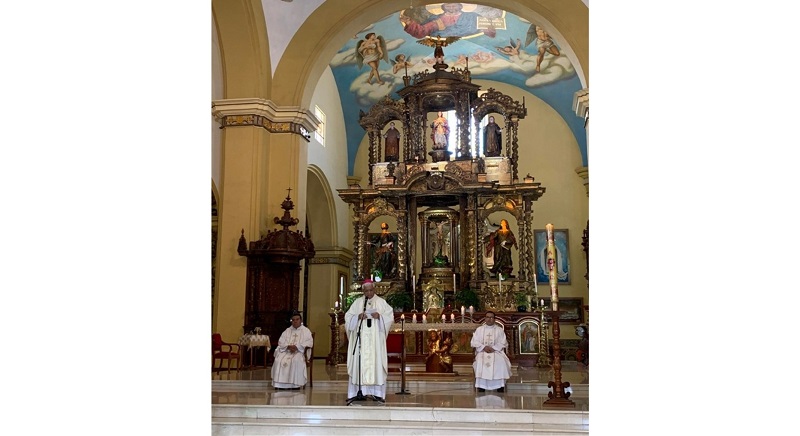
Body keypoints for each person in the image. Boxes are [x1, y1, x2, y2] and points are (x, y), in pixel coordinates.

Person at [345, 279, 394, 404]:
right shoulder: (357, 303)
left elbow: (390, 317)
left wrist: (380, 317)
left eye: (371, 290)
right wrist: (357, 317)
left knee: (376, 364)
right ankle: (358, 392)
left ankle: (377, 393)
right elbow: (348, 317)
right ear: (363, 291)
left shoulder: (381, 302)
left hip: (375, 342)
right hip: (361, 341)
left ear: (374, 289)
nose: (369, 293)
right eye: (366, 291)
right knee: (360, 364)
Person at [400, 3, 497, 39]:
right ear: (443, 7)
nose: (451, 8)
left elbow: (488, 30)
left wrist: (489, 29)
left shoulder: (472, 16)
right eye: (448, 6)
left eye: (454, 6)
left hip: (469, 47)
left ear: (460, 6)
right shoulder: (437, 19)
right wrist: (410, 23)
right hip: (442, 45)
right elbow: (422, 31)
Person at [271, 312, 314, 390]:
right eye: (293, 320)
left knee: (296, 360)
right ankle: (280, 384)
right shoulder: (287, 330)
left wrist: (297, 347)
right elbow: (281, 342)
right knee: (278, 360)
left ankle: (295, 385)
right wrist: (288, 346)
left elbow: (309, 342)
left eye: (297, 319)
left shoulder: (306, 331)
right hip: (286, 351)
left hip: (299, 352)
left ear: (301, 320)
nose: (295, 321)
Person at [470, 311, 511, 393]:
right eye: (488, 317)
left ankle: (500, 386)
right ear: (485, 318)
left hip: (496, 351)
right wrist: (484, 347)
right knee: (480, 361)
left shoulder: (499, 330)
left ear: (494, 319)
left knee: (501, 361)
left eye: (491, 317)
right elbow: (474, 342)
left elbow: (503, 342)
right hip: (482, 351)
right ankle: (481, 386)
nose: (489, 319)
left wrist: (494, 348)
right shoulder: (479, 330)